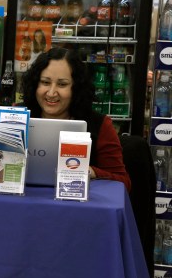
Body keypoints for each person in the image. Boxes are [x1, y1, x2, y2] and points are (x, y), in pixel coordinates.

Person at [22, 47, 131, 190]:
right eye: (45, 82)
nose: (51, 92)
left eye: (62, 84)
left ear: (76, 88)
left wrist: (91, 172)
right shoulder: (17, 115)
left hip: (77, 207)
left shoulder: (100, 124)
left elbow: (124, 183)